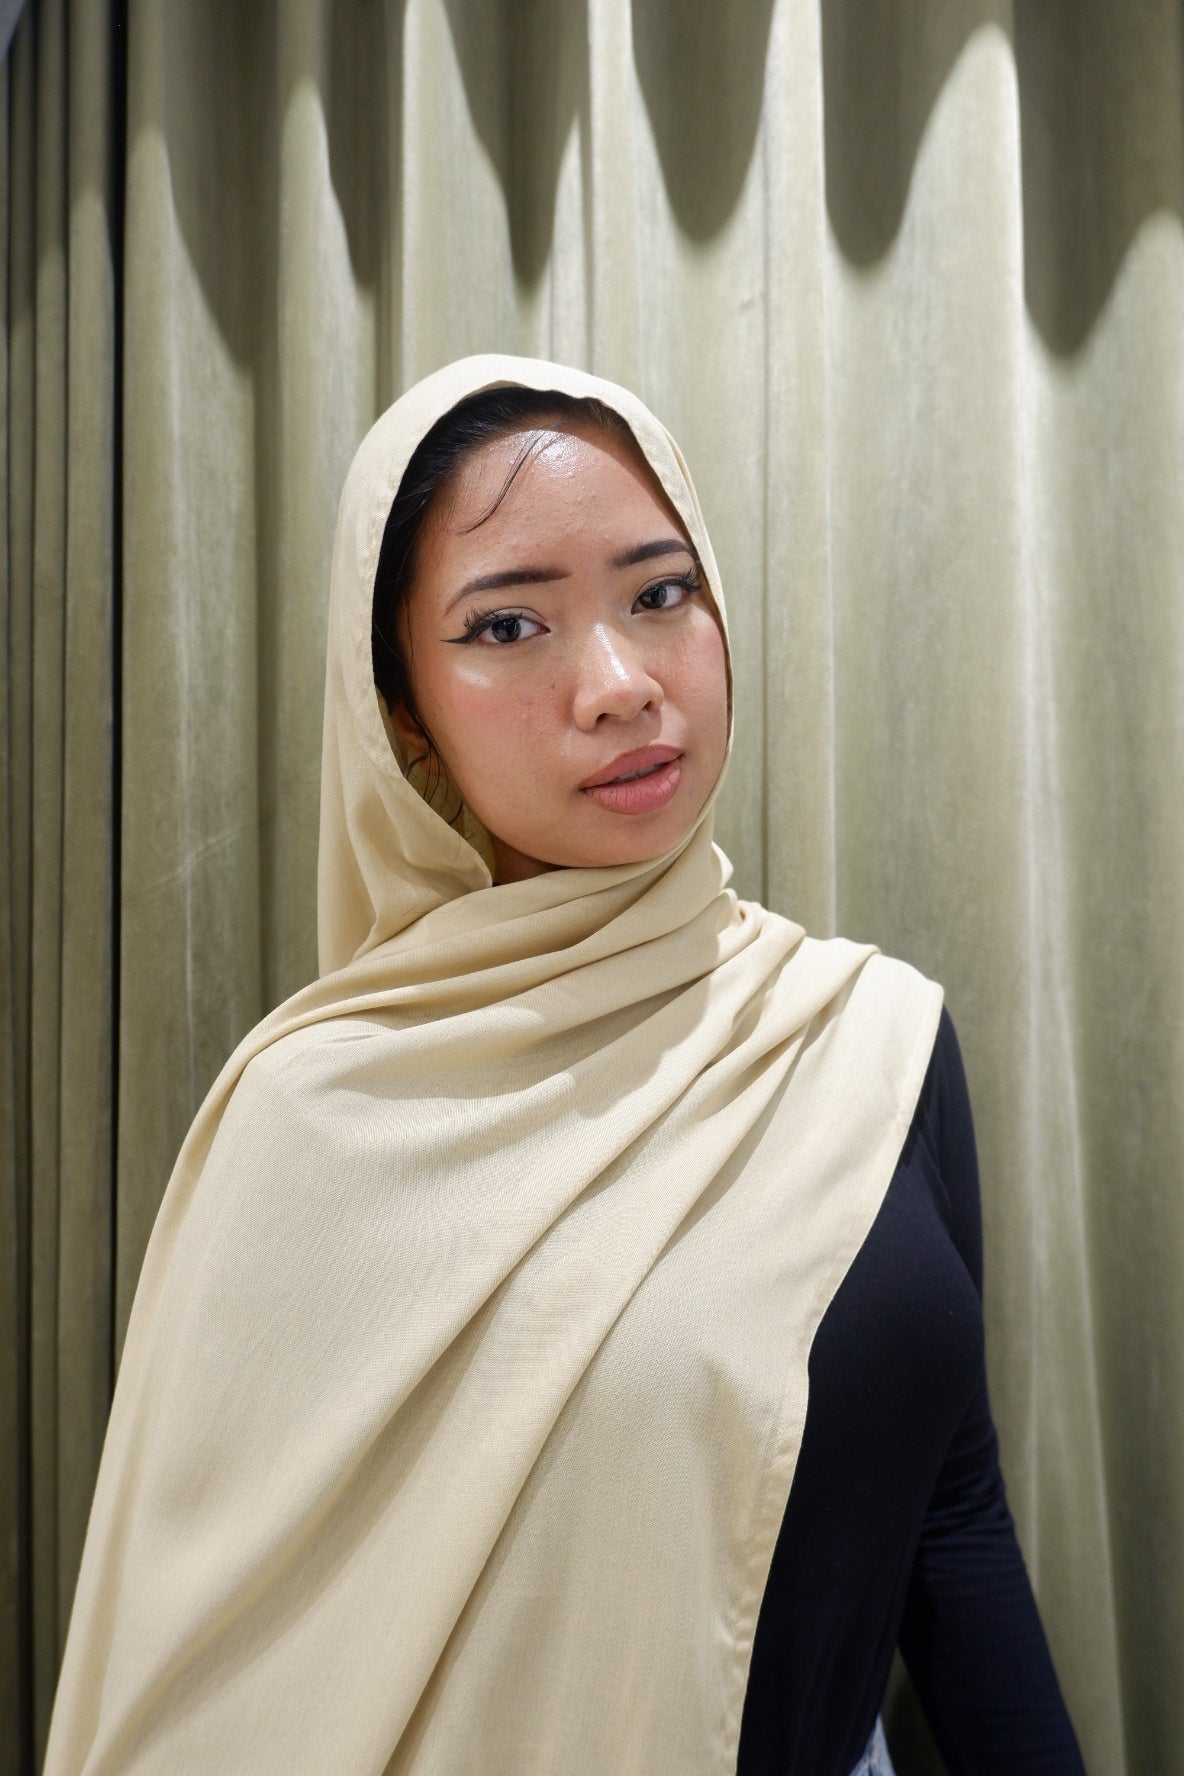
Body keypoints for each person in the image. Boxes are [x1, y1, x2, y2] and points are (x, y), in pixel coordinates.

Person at [43, 356, 1086, 1776]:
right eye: (509, 624)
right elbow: (222, 1676)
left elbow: (949, 1515)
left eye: (661, 594)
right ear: (402, 712)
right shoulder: (314, 1115)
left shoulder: (865, 1037)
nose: (618, 685)